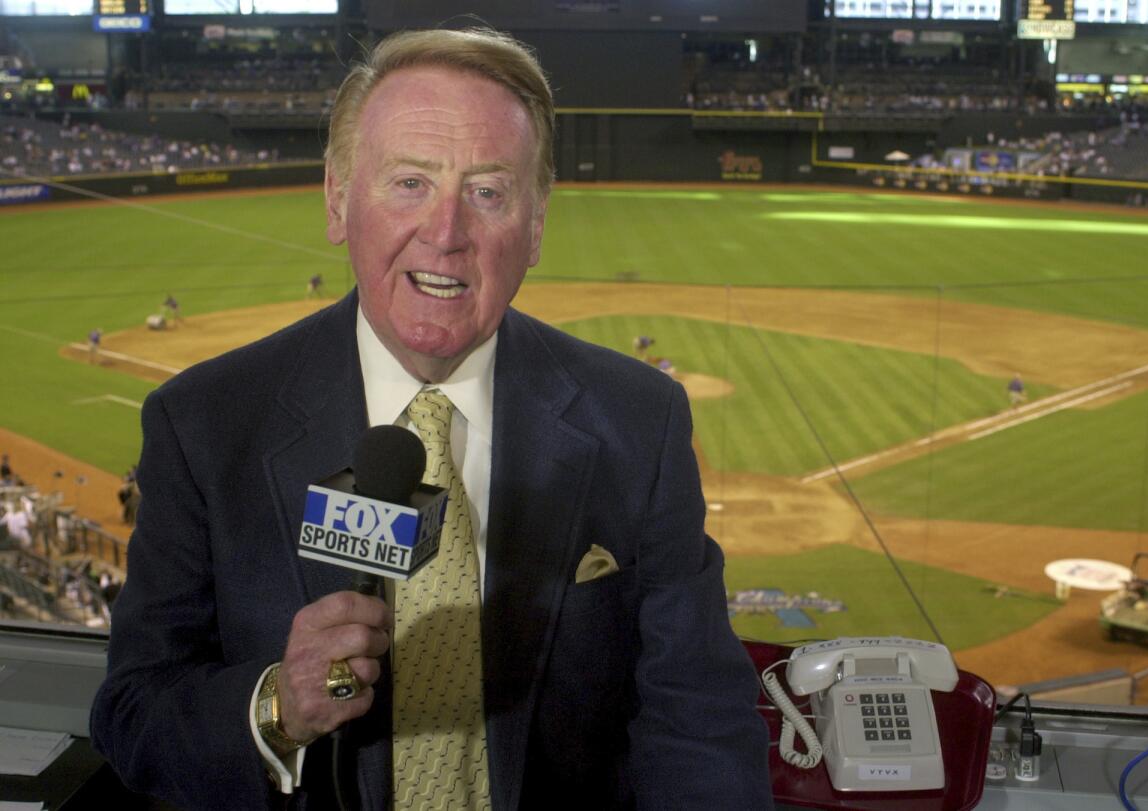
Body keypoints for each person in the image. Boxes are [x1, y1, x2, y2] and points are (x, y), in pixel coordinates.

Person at [90, 27, 771, 811]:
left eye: (488, 191)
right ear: (338, 200)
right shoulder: (204, 424)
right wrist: (277, 703)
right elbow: (133, 714)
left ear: (537, 225)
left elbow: (699, 721)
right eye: (409, 182)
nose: (446, 233)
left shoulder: (639, 422)